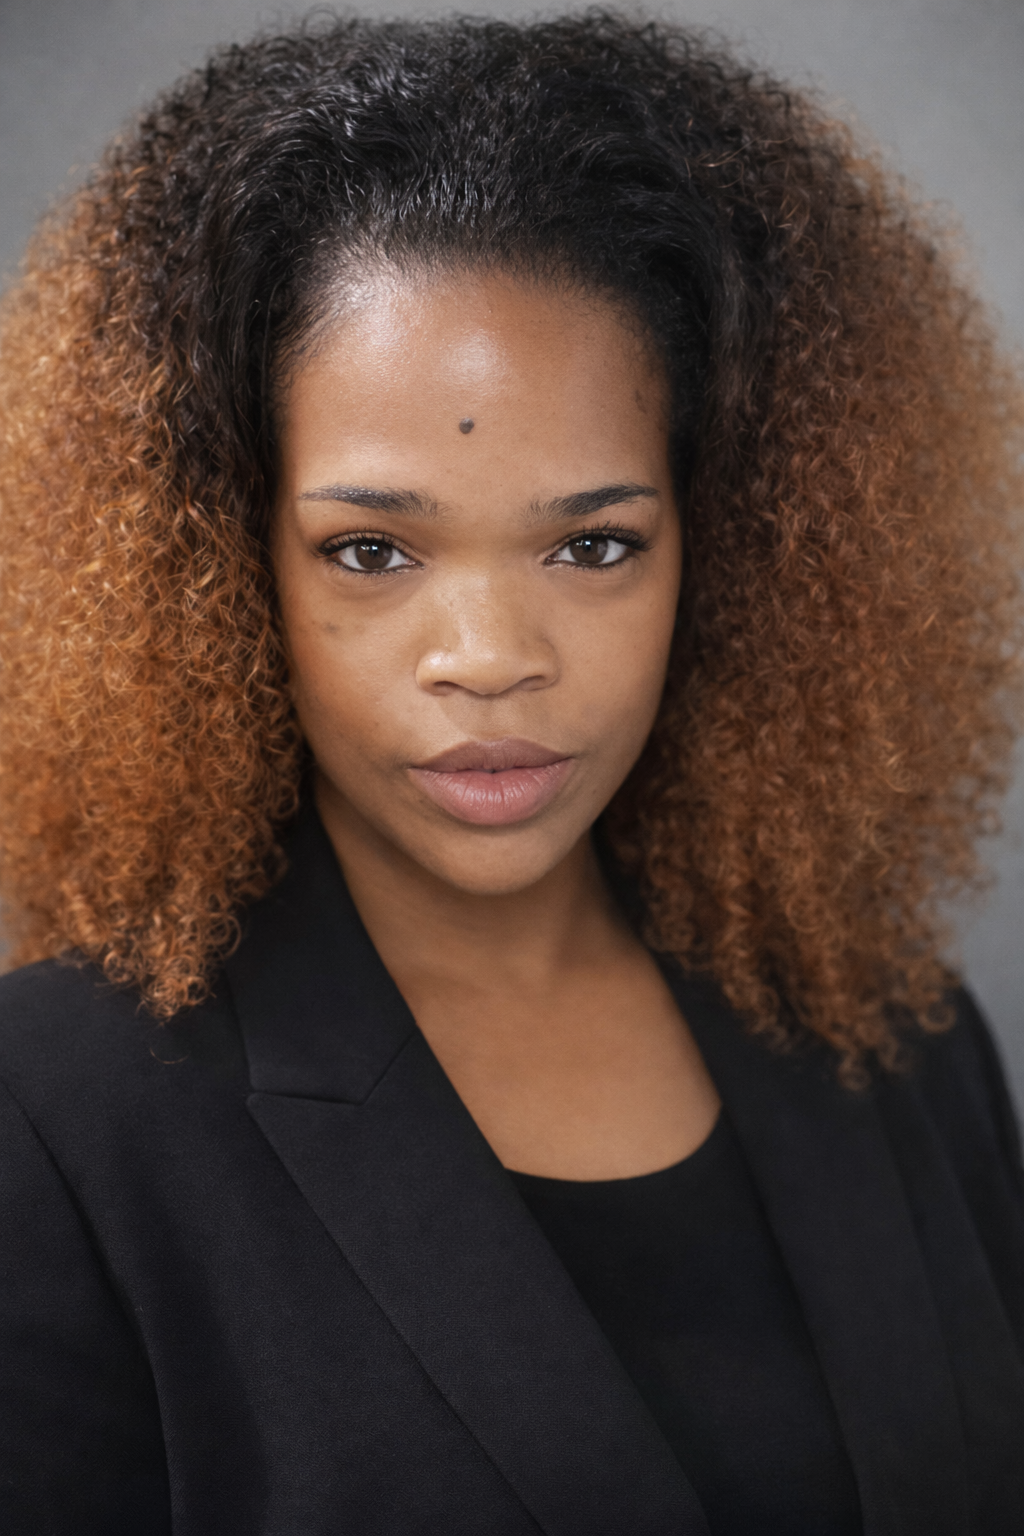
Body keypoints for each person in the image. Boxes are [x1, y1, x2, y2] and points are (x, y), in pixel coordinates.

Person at [0, 12, 1022, 1534]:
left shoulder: (895, 1030)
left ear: (729, 551)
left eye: (593, 543)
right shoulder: (55, 1116)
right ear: (212, 564)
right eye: (372, 550)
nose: (488, 656)